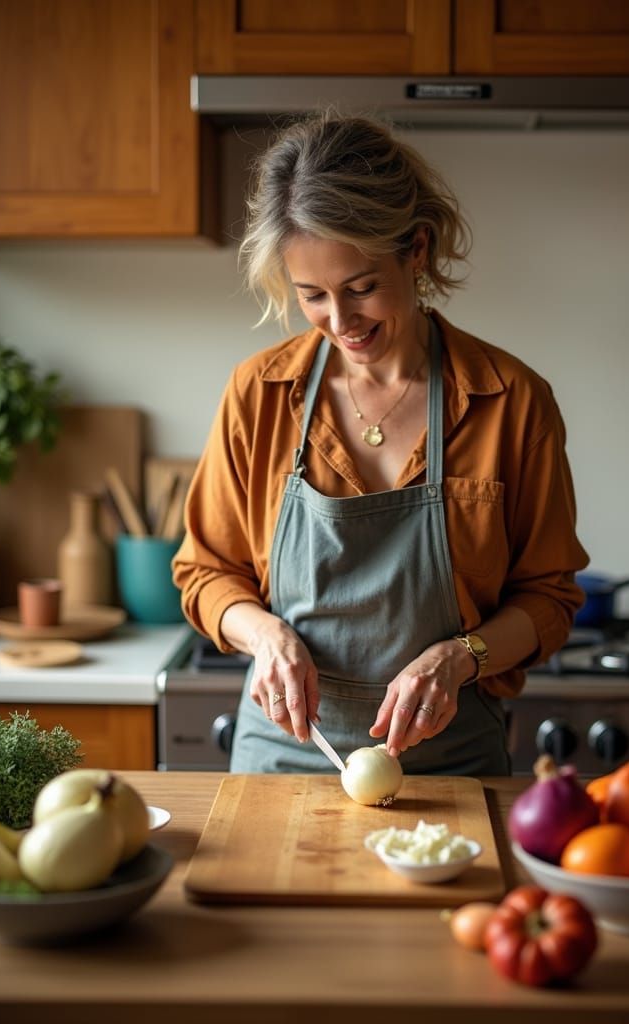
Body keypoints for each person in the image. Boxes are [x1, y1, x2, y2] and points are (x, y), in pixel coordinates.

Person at [172, 109, 589, 776]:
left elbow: (549, 598)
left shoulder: (510, 401)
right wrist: (266, 634)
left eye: (362, 288)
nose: (341, 323)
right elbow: (204, 571)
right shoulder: (259, 393)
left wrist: (462, 657)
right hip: (282, 754)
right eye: (312, 296)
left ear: (416, 249)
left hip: (451, 764)